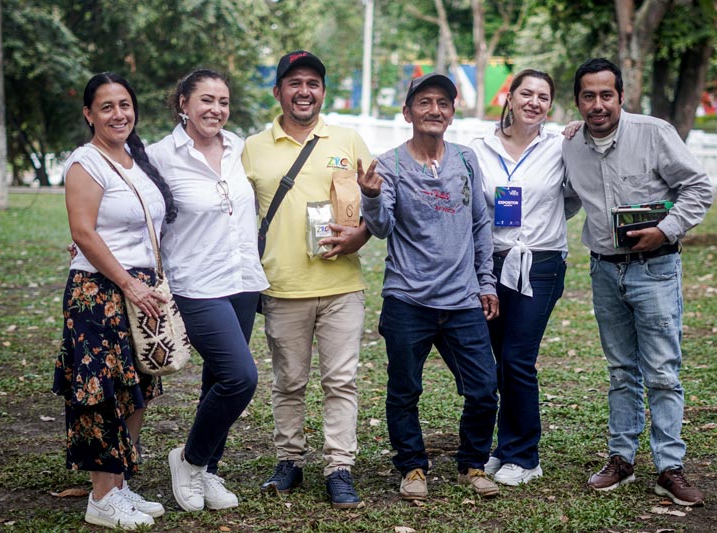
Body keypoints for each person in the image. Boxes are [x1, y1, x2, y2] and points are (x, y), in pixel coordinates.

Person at [563, 58, 712, 506]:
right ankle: (621, 459)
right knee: (621, 371)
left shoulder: (654, 133)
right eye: (588, 95)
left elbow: (699, 188)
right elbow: (565, 199)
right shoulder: (569, 145)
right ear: (578, 101)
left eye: (606, 94)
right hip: (604, 270)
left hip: (655, 269)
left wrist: (665, 230)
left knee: (663, 372)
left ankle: (670, 467)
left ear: (621, 96)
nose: (597, 104)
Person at [359, 72, 500, 501]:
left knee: (483, 388)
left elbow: (479, 222)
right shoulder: (389, 164)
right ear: (408, 113)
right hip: (408, 298)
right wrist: (368, 197)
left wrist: (486, 282)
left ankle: (473, 464)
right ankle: (413, 467)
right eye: (424, 102)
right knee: (405, 389)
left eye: (442, 102)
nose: (434, 110)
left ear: (452, 113)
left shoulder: (465, 159)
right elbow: (381, 228)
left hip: (462, 299)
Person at [242, 50, 371, 509]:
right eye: (294, 82)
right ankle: (289, 462)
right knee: (288, 381)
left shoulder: (348, 139)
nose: (304, 91)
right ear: (278, 91)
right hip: (282, 286)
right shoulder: (254, 148)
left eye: (313, 83)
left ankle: (339, 467)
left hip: (341, 286)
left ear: (322, 91)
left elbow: (375, 203)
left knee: (341, 381)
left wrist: (361, 234)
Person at [53, 72, 176, 530]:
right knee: (101, 390)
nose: (118, 114)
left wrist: (146, 284)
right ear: (89, 114)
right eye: (106, 107)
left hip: (138, 289)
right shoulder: (86, 161)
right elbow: (82, 231)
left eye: (124, 104)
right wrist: (128, 282)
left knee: (137, 386)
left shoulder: (133, 159)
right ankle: (101, 496)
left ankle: (119, 484)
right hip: (100, 292)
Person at [149, 69, 268, 512]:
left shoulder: (238, 148)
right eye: (205, 100)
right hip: (194, 284)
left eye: (223, 100)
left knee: (217, 379)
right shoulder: (160, 155)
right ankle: (189, 459)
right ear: (183, 103)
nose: (215, 109)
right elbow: (137, 208)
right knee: (241, 377)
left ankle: (207, 470)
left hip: (242, 280)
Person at [467, 69, 574, 487]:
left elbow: (574, 196)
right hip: (491, 264)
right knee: (499, 361)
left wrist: (542, 228)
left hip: (541, 264)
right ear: (508, 98)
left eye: (543, 96)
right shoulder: (479, 148)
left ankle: (525, 456)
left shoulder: (563, 145)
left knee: (517, 358)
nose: (533, 102)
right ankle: (504, 448)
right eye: (525, 93)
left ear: (550, 104)